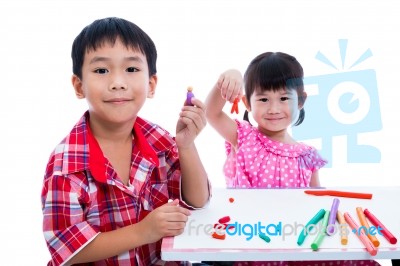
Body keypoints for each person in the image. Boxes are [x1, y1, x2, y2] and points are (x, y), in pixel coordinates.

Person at [41, 17, 210, 266]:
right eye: (101, 71)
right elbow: (68, 250)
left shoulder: (160, 140)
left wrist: (186, 145)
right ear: (79, 86)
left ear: (151, 85)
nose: (117, 83)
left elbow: (197, 201)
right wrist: (144, 231)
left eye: (131, 69)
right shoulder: (67, 163)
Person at [204, 52, 380, 266]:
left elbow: (320, 203)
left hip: (297, 244)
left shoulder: (307, 155)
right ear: (247, 104)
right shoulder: (243, 137)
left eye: (284, 98)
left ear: (301, 101)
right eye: (263, 99)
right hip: (252, 242)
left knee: (362, 260)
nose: (274, 108)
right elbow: (211, 113)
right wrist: (228, 77)